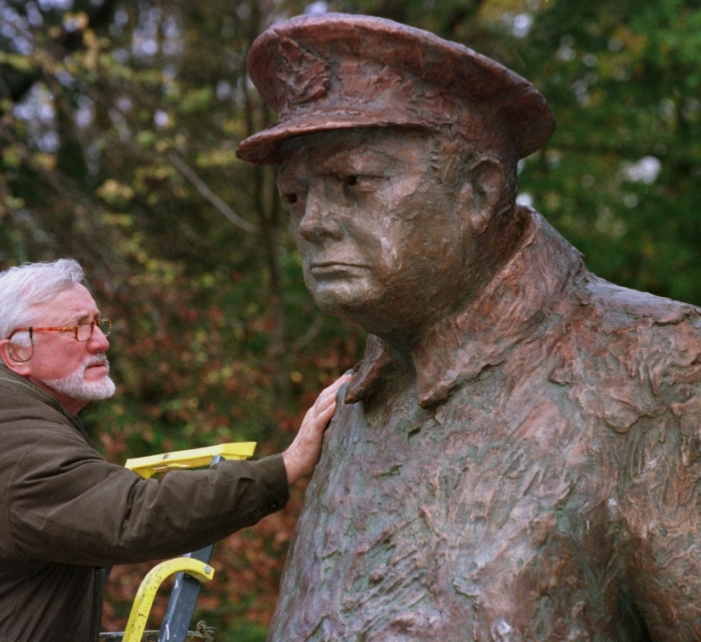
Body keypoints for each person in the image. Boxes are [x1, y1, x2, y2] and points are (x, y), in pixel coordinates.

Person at [236, 13, 701, 641]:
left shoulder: (656, 366)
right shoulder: (355, 404)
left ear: (479, 193)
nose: (313, 222)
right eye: (296, 196)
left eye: (352, 182)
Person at [0, 258, 350, 642]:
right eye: (77, 328)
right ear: (16, 352)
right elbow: (136, 515)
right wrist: (285, 467)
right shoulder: (11, 441)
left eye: (99, 323)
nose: (100, 341)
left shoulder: (6, 414)